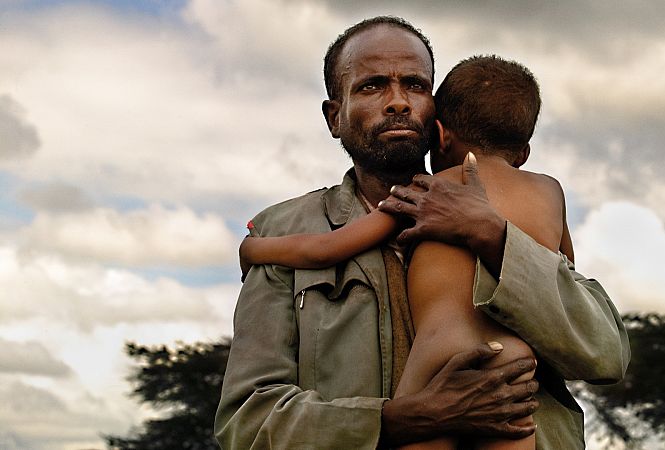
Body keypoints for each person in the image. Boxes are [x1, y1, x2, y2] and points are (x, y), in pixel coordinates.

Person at [215, 16, 630, 450]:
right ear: (334, 117)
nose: (397, 102)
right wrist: (398, 420)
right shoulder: (283, 229)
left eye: (414, 85)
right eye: (372, 86)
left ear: (438, 118)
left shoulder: (507, 219)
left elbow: (606, 355)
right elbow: (247, 421)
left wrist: (495, 237)